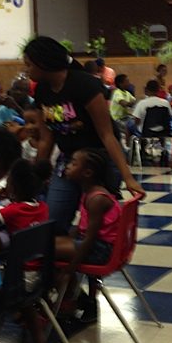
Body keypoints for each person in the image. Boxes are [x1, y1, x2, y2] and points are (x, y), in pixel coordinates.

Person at [22, 36, 142, 235]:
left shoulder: (84, 85)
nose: (26, 70)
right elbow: (47, 137)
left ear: (43, 62)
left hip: (99, 159)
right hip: (69, 159)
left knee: (99, 227)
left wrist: (128, 177)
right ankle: (66, 253)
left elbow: (107, 134)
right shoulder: (42, 90)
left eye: (29, 65)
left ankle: (87, 251)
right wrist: (38, 174)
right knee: (54, 222)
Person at [0, 158, 52, 343]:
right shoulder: (42, 207)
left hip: (16, 281)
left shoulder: (13, 210)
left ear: (13, 187)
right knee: (26, 302)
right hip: (37, 276)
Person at [54, 149, 121, 322]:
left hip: (100, 250)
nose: (68, 166)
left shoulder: (96, 199)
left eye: (73, 164)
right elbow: (82, 228)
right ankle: (81, 299)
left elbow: (90, 239)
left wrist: (71, 269)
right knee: (51, 243)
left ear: (87, 173)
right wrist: (68, 238)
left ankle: (70, 299)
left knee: (45, 249)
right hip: (98, 246)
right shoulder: (89, 192)